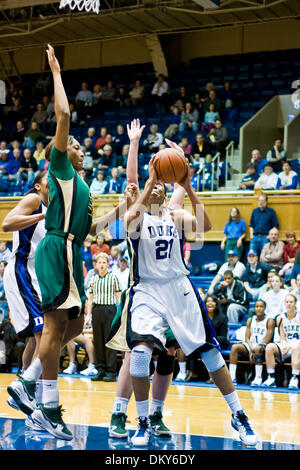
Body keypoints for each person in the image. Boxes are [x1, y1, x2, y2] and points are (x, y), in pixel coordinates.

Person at [122, 153, 257, 447]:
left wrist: (188, 184)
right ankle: (143, 421)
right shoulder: (137, 216)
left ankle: (239, 415)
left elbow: (206, 225)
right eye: (154, 184)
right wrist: (149, 183)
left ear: (168, 190)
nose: (157, 188)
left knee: (210, 353)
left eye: (161, 186)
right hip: (147, 289)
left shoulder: (175, 215)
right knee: (142, 354)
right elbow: (128, 220)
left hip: (179, 287)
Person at [8, 45, 94, 441]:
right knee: (54, 328)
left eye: (77, 145)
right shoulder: (59, 168)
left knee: (72, 324)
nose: (78, 146)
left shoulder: (82, 186)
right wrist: (56, 72)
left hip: (70, 250)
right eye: (74, 143)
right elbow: (63, 114)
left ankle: (28, 381)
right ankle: (46, 405)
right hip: (57, 251)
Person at [85, 252, 121, 382]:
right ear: (96, 265)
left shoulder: (113, 278)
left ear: (107, 264)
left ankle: (111, 371)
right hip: (97, 309)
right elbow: (90, 299)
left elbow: (119, 296)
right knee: (98, 340)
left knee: (109, 340)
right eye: (99, 262)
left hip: (110, 310)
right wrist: (88, 315)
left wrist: (120, 313)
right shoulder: (93, 279)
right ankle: (100, 369)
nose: (101, 265)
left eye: (104, 262)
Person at [229, 300, 275, 386]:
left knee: (257, 349)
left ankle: (258, 378)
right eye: (257, 307)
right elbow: (247, 337)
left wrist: (255, 349)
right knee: (235, 347)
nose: (259, 309)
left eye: (261, 307)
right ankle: (232, 377)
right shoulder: (250, 320)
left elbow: (268, 338)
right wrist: (251, 349)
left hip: (263, 345)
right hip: (251, 345)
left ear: (265, 308)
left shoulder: (269, 320)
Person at [262, 294, 300, 389]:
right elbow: (282, 337)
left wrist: (290, 346)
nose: (289, 304)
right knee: (270, 347)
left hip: (297, 345)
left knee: (295, 347)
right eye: (287, 302)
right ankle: (271, 377)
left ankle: (294, 378)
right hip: (287, 345)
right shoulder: (280, 318)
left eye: (291, 302)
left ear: (295, 303)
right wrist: (284, 345)